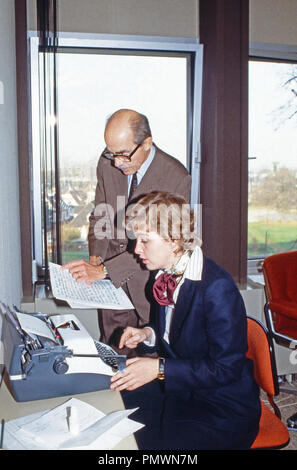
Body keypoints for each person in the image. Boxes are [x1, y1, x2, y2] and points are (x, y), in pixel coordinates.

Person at [109, 191, 261, 450]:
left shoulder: (216, 288)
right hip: (182, 387)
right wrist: (147, 334)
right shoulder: (163, 275)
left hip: (221, 406)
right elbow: (174, 332)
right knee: (117, 402)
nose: (136, 249)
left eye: (145, 241)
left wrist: (158, 369)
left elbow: (226, 369)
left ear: (174, 240)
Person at [63, 109, 191, 353]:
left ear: (147, 143)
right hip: (110, 283)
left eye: (123, 155)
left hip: (149, 282)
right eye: (112, 153)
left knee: (149, 354)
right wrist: (96, 258)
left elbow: (161, 243)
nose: (117, 162)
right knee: (114, 350)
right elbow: (101, 212)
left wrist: (103, 270)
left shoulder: (176, 176)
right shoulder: (107, 161)